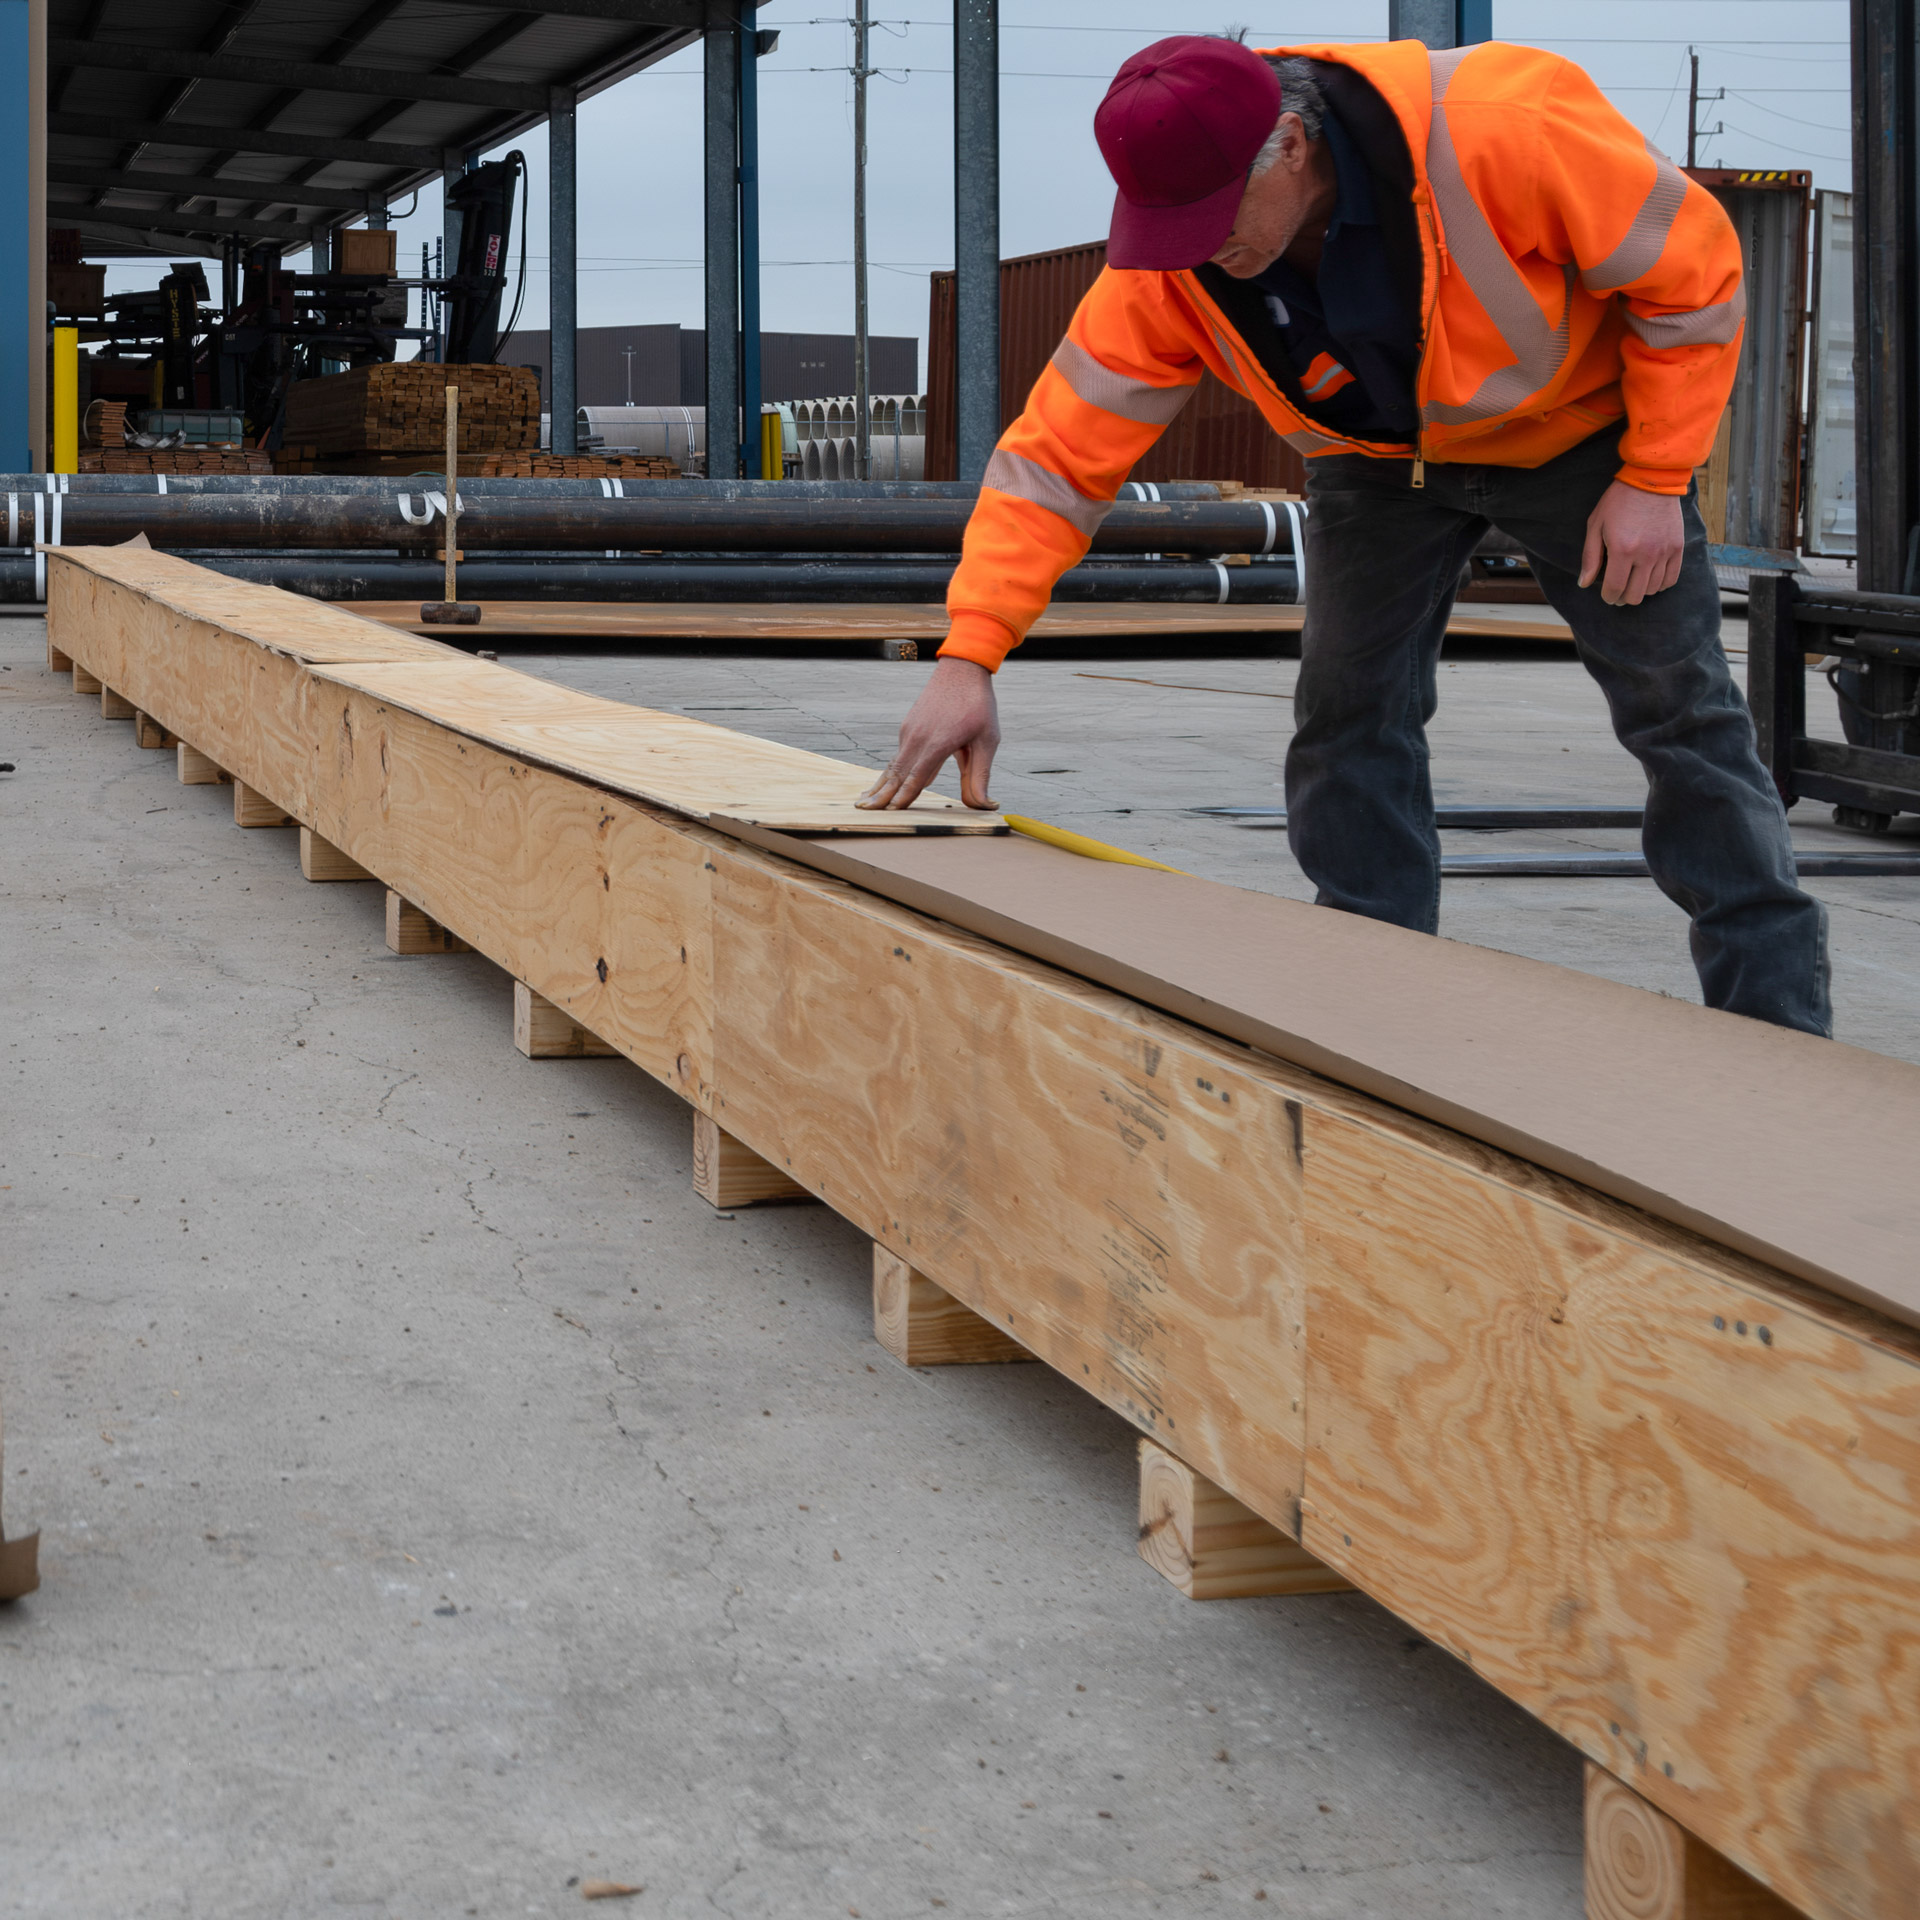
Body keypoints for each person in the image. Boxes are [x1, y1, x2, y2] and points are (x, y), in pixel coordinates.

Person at [857, 34, 1830, 1036]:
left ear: (1286, 144)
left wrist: (1653, 478)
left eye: (1210, 220)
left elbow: (1695, 275)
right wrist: (970, 653)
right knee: (1347, 715)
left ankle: (1778, 1028)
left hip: (1574, 444)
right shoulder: (1171, 264)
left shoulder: (1508, 126)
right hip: (1374, 462)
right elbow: (1058, 455)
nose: (1193, 248)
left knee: (1681, 713)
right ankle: (1374, 1005)